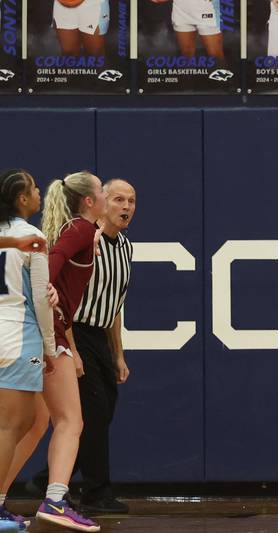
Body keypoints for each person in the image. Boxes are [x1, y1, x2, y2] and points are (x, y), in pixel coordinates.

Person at [2, 172, 106, 532]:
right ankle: (56, 500)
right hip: (44, 336)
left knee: (36, 425)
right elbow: (54, 265)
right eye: (105, 191)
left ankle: (0, 503)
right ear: (90, 200)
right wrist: (50, 297)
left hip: (48, 334)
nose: (112, 197)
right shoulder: (77, 229)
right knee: (70, 421)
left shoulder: (80, 231)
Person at [27, 180, 136, 514]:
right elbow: (63, 291)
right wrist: (70, 348)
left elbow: (116, 306)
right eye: (117, 199)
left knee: (98, 414)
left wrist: (118, 354)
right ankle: (94, 492)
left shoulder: (126, 247)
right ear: (98, 200)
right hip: (75, 332)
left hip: (100, 336)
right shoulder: (85, 236)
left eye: (132, 201)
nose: (126, 207)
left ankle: (48, 478)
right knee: (88, 414)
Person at [0, 169, 56, 533]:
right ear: (22, 199)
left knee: (37, 420)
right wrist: (51, 346)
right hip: (19, 336)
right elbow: (40, 297)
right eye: (35, 189)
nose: (39, 193)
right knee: (10, 426)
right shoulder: (32, 236)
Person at [150, 0, 225, 64]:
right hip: (181, 11)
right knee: (186, 56)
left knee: (215, 56)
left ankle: (222, 80)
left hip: (206, 9)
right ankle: (189, 81)